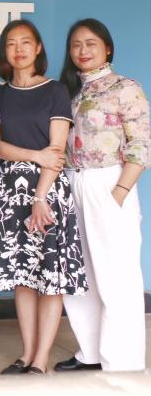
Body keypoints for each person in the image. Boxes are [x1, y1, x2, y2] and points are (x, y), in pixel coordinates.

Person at [0, 19, 84, 375]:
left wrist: (40, 197)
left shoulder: (56, 91)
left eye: (26, 42)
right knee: (23, 276)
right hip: (10, 192)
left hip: (48, 190)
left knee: (49, 277)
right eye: (11, 43)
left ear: (38, 47)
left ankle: (41, 359)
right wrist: (33, 155)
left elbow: (56, 151)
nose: (19, 49)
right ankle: (26, 354)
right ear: (4, 52)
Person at [58, 18, 148, 372]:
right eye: (76, 44)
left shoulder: (126, 88)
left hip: (109, 182)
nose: (83, 50)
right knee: (81, 275)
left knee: (117, 275)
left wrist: (120, 191)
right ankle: (91, 353)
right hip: (72, 182)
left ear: (107, 48)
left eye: (91, 43)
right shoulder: (68, 91)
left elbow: (141, 143)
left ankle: (122, 361)